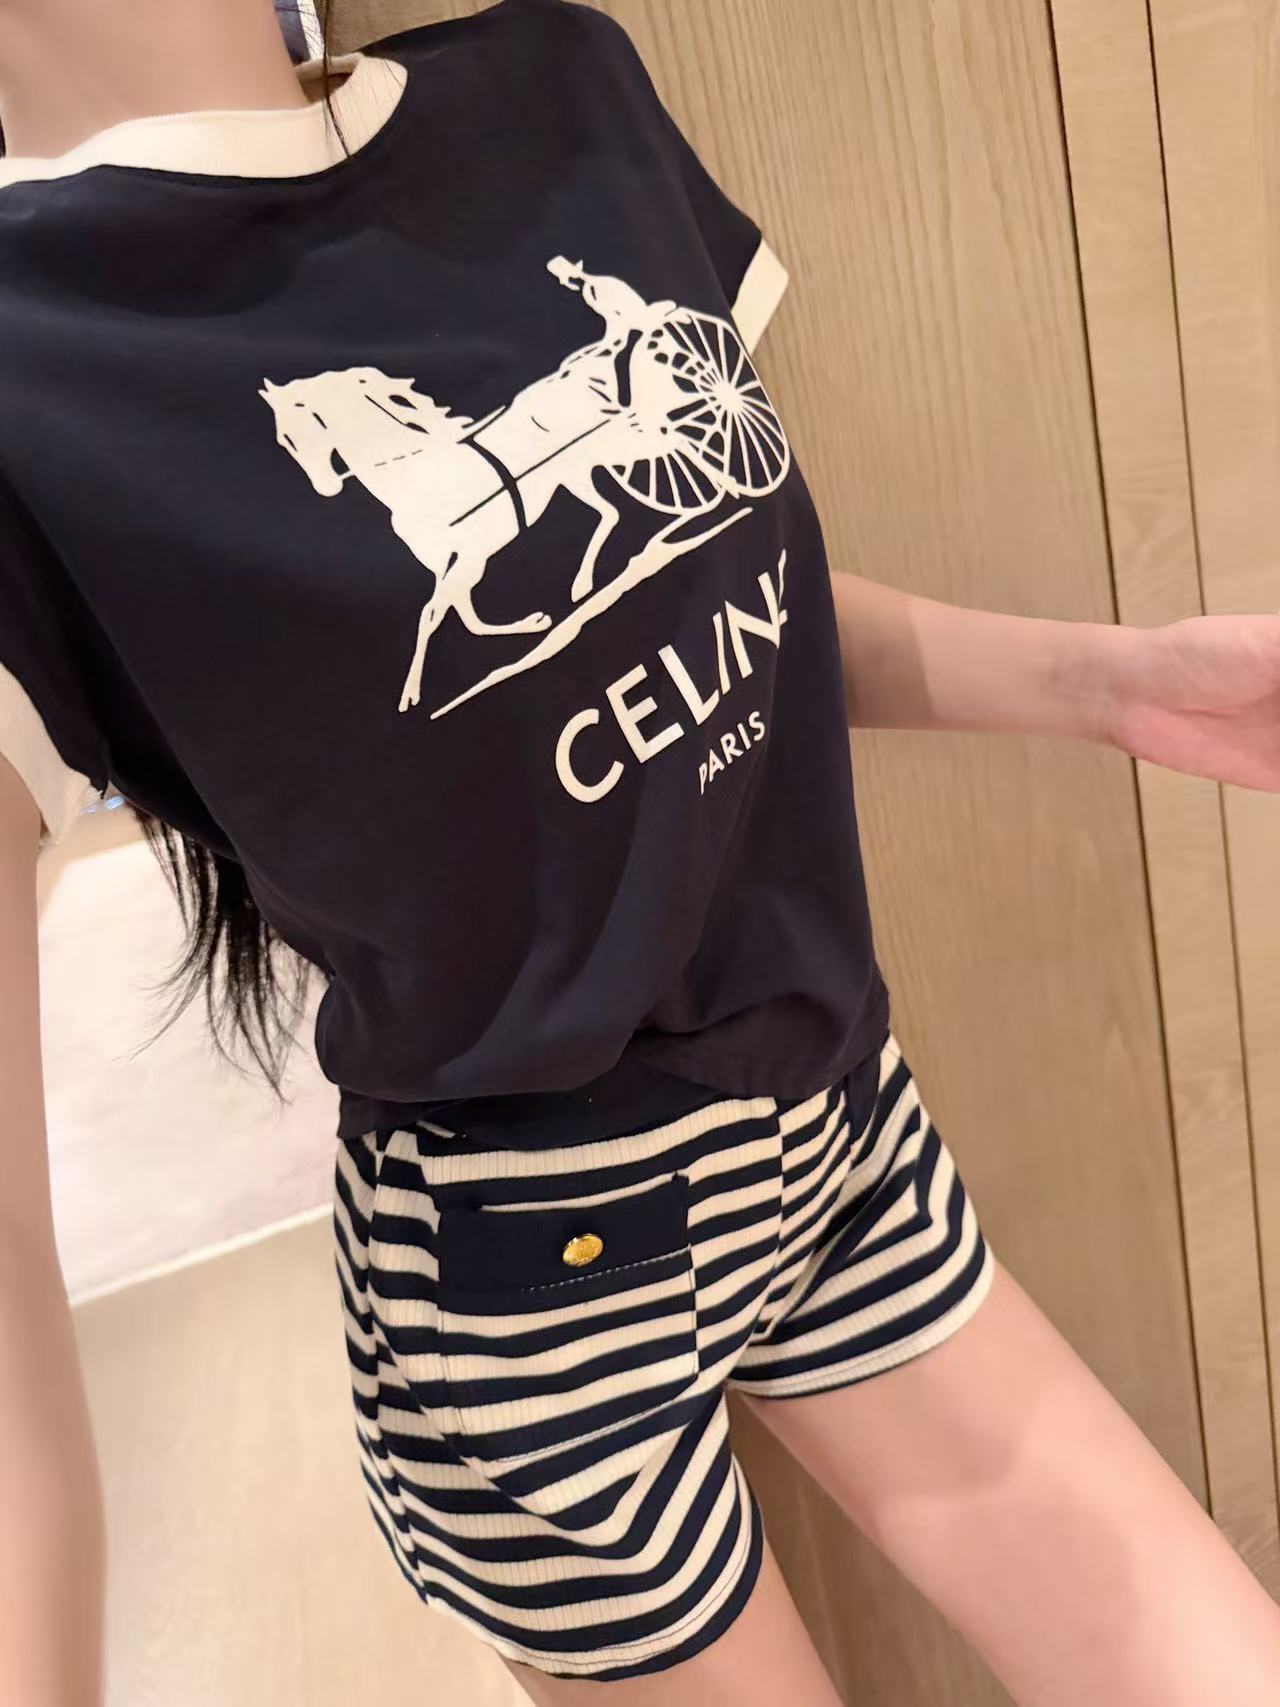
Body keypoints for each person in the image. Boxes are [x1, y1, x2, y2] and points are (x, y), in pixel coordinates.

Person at [1, 3, 1279, 1704]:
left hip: (834, 1114)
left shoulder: (556, 93)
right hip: (533, 1280)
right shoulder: (35, 364)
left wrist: (1108, 683)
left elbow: (670, 585)